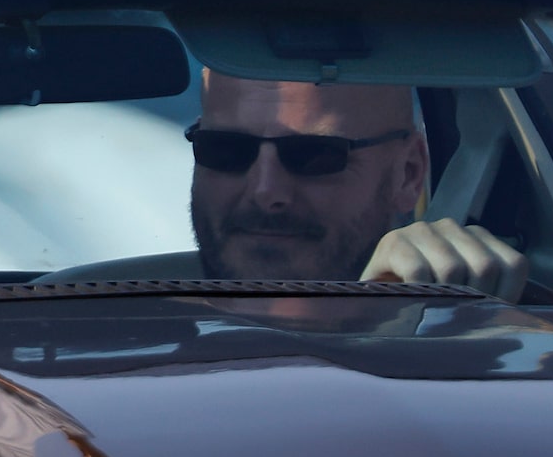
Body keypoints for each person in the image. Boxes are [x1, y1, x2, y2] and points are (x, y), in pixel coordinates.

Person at [189, 68, 527, 298]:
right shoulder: (138, 347)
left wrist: (391, 304)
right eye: (225, 150)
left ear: (408, 173)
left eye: (315, 156)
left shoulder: (457, 358)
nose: (265, 190)